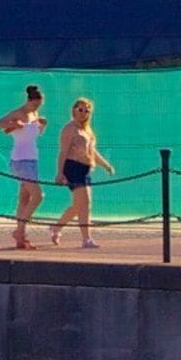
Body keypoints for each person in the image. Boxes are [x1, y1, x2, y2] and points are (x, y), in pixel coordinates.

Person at [48, 96, 109, 251]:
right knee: (85, 203)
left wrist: (105, 165)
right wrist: (60, 172)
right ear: (74, 110)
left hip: (85, 168)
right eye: (80, 110)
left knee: (79, 205)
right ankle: (86, 238)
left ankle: (56, 227)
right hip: (73, 167)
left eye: (87, 111)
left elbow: (92, 151)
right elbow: (63, 152)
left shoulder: (87, 130)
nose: (83, 113)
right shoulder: (70, 129)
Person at [0, 85, 48, 244]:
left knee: (25, 198)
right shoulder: (19, 113)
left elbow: (31, 136)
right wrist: (13, 124)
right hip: (20, 160)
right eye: (35, 104)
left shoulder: (35, 115)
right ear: (29, 100)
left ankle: (21, 238)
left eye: (39, 105)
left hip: (32, 159)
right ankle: (19, 230)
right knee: (38, 195)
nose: (37, 107)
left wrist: (42, 125)